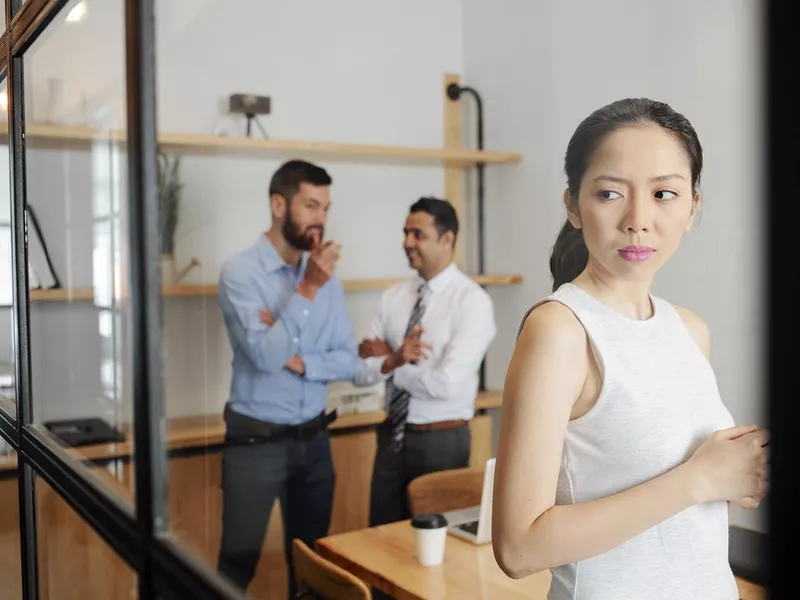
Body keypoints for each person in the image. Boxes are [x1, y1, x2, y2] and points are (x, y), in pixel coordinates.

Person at [492, 98, 769, 599]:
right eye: (610, 193)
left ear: (692, 208)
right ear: (573, 205)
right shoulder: (560, 330)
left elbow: (670, 509)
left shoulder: (689, 330)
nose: (638, 219)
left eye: (664, 193)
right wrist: (699, 481)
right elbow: (517, 548)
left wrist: (734, 481)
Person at [216, 159, 357, 598]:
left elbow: (348, 361)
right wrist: (307, 291)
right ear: (279, 205)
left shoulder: (326, 278)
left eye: (326, 208)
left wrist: (298, 360)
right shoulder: (240, 273)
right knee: (236, 566)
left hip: (315, 444)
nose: (321, 219)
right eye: (311, 205)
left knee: (312, 569)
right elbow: (263, 356)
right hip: (256, 442)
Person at [355, 196, 497, 527]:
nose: (407, 243)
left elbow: (446, 385)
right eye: (405, 233)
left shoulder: (472, 302)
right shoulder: (393, 297)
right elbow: (359, 372)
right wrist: (392, 360)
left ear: (447, 240)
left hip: (441, 441)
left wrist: (390, 365)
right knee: (380, 540)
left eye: (418, 235)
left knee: (438, 547)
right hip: (391, 434)